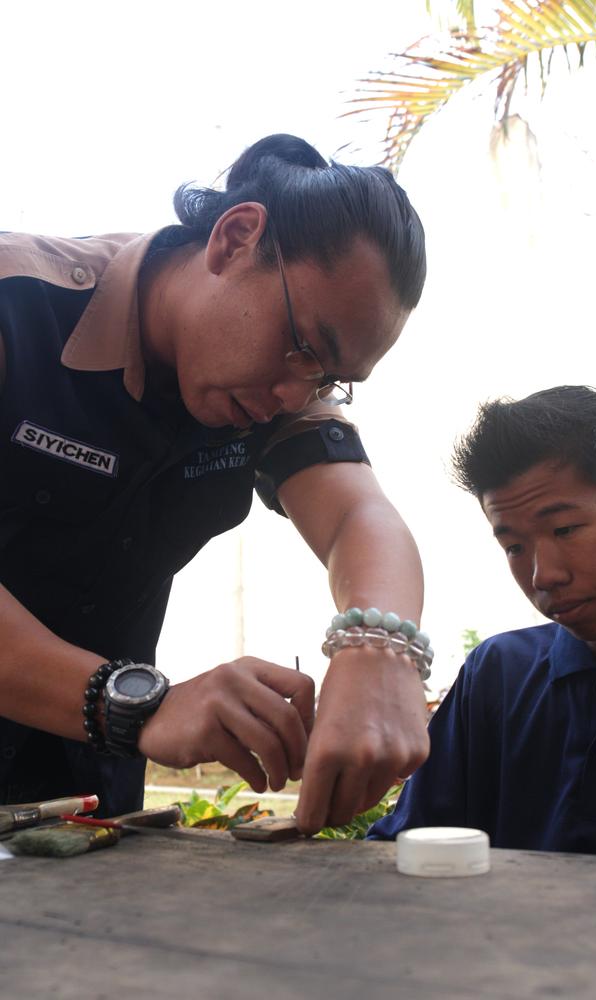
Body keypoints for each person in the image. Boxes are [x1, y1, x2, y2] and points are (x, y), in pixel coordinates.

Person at [0, 133, 432, 832]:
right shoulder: (17, 306)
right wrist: (133, 704)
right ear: (235, 240)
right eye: (305, 346)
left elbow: (361, 519)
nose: (298, 394)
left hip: (84, 790)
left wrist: (380, 649)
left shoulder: (276, 394)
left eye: (329, 379)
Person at [369, 384, 596, 855]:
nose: (544, 575)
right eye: (514, 547)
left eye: (565, 530)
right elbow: (408, 846)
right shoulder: (500, 675)